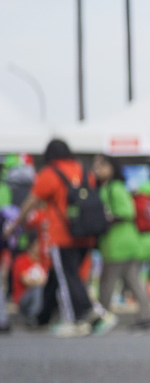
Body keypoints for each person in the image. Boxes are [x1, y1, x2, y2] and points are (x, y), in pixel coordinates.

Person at [18, 139, 113, 334]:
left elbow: (33, 200)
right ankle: (49, 316)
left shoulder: (49, 172)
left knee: (67, 278)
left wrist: (16, 223)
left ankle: (76, 320)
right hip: (86, 233)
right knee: (70, 276)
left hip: (62, 235)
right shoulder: (84, 170)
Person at [92, 156, 150, 331]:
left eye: (102, 165)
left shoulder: (115, 187)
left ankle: (103, 316)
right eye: (96, 165)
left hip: (119, 243)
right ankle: (146, 317)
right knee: (132, 280)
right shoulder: (108, 187)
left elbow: (127, 212)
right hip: (121, 243)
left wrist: (105, 219)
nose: (97, 169)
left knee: (107, 282)